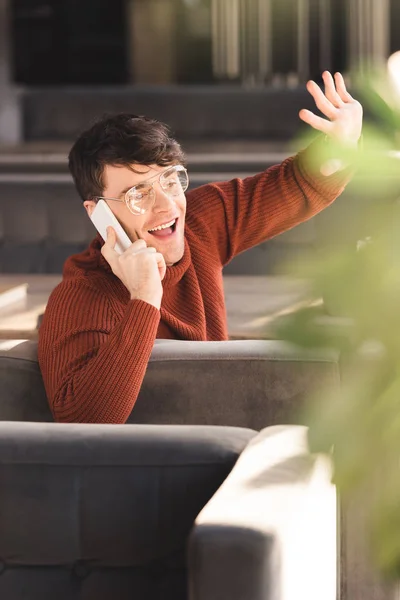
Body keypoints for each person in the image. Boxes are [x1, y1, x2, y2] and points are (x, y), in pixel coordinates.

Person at [38, 71, 363, 423]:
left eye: (170, 180)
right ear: (98, 213)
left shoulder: (199, 225)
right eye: (138, 194)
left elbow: (295, 185)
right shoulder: (80, 297)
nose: (167, 206)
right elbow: (83, 424)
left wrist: (340, 147)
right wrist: (144, 297)